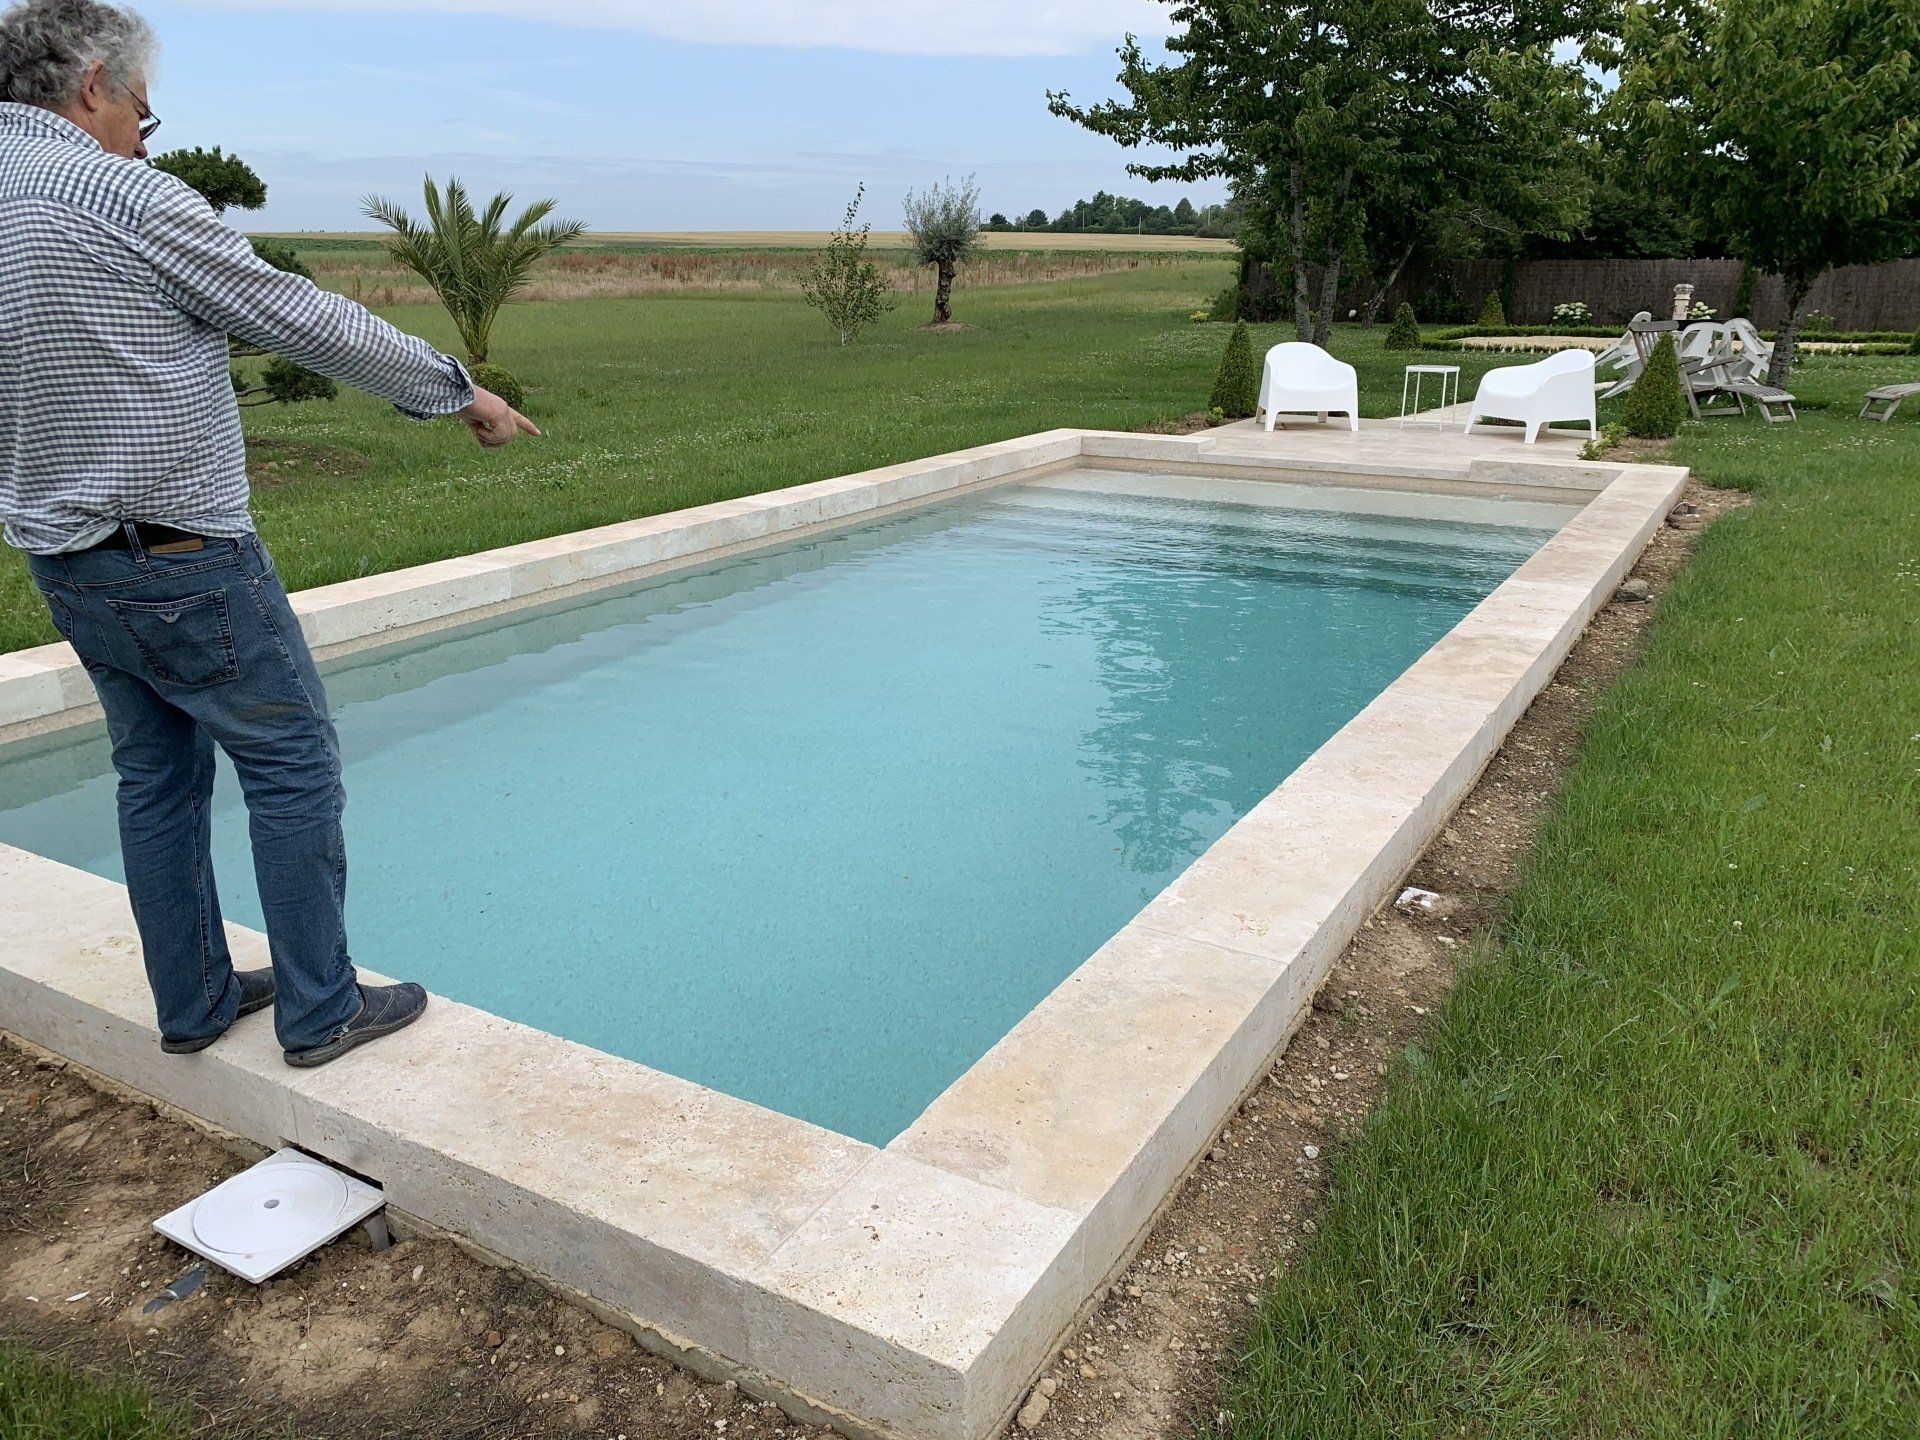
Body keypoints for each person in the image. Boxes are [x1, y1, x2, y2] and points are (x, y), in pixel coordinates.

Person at [0, 0, 538, 1066]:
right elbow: (297, 313)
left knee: (153, 774)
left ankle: (196, 1000)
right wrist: (456, 391)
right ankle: (321, 1008)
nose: (140, 136)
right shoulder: (116, 192)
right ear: (96, 83)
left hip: (62, 556)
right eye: (144, 115)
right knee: (292, 764)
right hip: (183, 556)